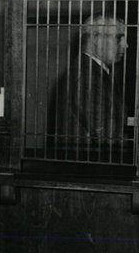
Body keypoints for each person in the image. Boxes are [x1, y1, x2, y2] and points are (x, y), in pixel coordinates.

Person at [46, 15, 130, 162]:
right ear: (97, 39)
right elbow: (107, 135)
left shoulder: (94, 72)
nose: (125, 45)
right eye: (119, 38)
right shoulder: (86, 76)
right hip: (88, 168)